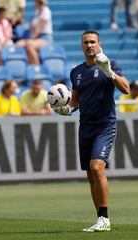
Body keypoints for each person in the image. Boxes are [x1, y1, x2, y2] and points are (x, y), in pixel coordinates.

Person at [51, 30, 130, 232]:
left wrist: (109, 72)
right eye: (86, 42)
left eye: (93, 42)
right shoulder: (76, 72)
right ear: (82, 45)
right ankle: (100, 220)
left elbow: (126, 89)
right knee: (90, 174)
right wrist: (67, 109)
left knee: (97, 167)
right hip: (85, 126)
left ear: (99, 43)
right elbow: (76, 100)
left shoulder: (109, 63)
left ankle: (105, 218)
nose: (89, 45)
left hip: (105, 124)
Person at [16, 0, 53, 65]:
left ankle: (36, 68)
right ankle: (28, 67)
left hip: (45, 38)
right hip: (36, 38)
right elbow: (31, 27)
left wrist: (29, 39)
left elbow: (38, 29)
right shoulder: (37, 11)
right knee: (19, 44)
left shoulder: (46, 11)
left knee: (29, 45)